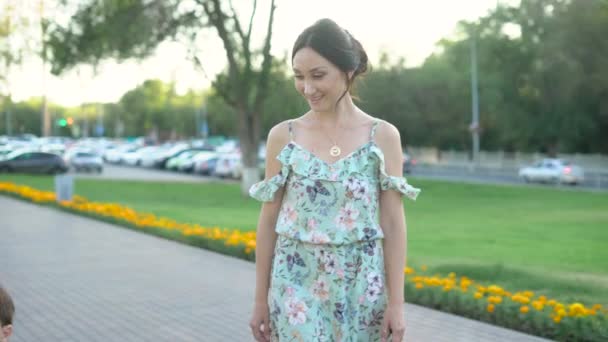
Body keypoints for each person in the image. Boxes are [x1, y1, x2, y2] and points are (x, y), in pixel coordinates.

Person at [248, 18, 420, 342]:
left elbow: (393, 223)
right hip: (296, 283)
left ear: (348, 70)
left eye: (318, 75)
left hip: (363, 287)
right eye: (299, 77)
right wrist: (260, 300)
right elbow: (268, 219)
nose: (307, 88)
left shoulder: (382, 137)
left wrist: (397, 303)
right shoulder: (282, 137)